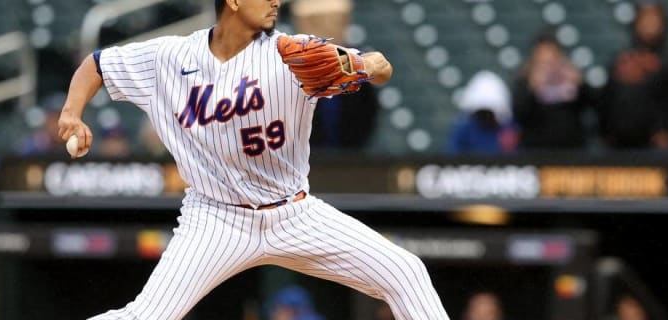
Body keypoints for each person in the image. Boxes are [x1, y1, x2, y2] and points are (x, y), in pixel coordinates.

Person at [58, 0, 449, 319]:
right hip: (215, 219)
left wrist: (355, 65)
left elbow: (382, 67)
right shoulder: (169, 58)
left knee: (405, 272)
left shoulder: (291, 53)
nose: (276, 2)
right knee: (146, 316)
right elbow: (97, 64)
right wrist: (72, 112)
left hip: (296, 215)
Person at [290, 0, 379, 150]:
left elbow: (366, 115)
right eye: (320, 22)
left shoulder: (357, 68)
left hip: (347, 159)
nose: (332, 28)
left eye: (339, 21)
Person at [599, 2, 668, 149]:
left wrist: (667, 129)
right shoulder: (623, 59)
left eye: (654, 17)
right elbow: (606, 98)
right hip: (620, 144)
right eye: (645, 18)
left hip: (662, 145)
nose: (649, 23)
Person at [512, 34, 594, 150]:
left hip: (571, 149)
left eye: (552, 60)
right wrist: (532, 88)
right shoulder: (525, 81)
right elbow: (519, 114)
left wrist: (580, 84)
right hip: (536, 150)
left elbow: (590, 106)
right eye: (543, 62)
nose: (548, 67)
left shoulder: (571, 79)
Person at [449, 71, 518, 154]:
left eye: (489, 113)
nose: (486, 116)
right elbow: (453, 155)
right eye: (482, 112)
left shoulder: (508, 128)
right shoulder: (465, 128)